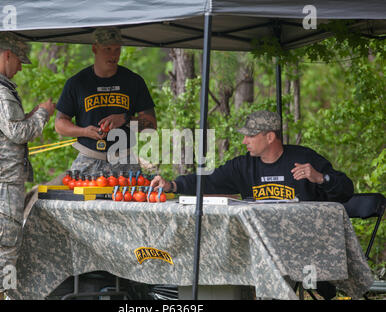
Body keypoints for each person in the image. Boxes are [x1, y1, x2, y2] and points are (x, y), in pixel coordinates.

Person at [0, 32, 56, 300]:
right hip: (2, 183)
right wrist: (43, 112)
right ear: (8, 54)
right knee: (1, 248)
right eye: (19, 61)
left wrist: (25, 116)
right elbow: (18, 132)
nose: (19, 67)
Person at [151, 110, 354, 203]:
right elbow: (209, 180)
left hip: (302, 245)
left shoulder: (304, 157)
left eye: (250, 136)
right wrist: (172, 186)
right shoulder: (243, 166)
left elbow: (346, 191)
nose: (244, 141)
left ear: (270, 137)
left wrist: (320, 178)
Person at [55, 27, 157, 177]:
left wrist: (125, 119)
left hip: (125, 159)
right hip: (88, 158)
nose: (113, 55)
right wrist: (84, 131)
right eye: (107, 49)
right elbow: (59, 125)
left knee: (130, 200)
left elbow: (151, 126)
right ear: (94, 48)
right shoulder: (77, 83)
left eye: (117, 49)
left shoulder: (134, 81)